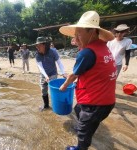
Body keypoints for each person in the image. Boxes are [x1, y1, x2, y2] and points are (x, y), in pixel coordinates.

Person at [59, 11, 116, 150]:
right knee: (78, 109)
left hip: (94, 104)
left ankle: (80, 147)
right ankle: (87, 127)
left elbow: (74, 75)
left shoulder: (86, 53)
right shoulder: (103, 47)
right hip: (108, 101)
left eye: (79, 35)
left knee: (83, 133)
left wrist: (64, 86)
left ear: (92, 32)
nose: (76, 39)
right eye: (75, 35)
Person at [34, 37, 66, 111]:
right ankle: (46, 105)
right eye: (36, 46)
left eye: (39, 45)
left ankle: (57, 105)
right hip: (43, 74)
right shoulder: (37, 55)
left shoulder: (53, 52)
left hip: (53, 73)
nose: (37, 47)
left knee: (53, 90)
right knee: (43, 90)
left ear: (44, 45)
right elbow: (40, 67)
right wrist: (45, 76)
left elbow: (59, 63)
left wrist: (63, 73)